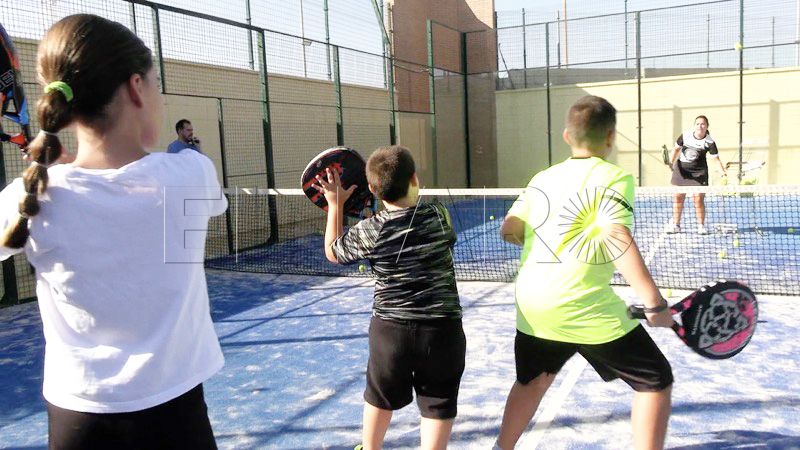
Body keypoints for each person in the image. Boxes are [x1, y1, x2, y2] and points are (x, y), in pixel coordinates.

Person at [0, 14, 226, 449]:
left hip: (78, 419)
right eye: (156, 84)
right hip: (176, 415)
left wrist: (58, 172)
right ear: (136, 87)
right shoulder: (193, 174)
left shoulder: (30, 195)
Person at [495, 96, 674, 450]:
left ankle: (501, 448)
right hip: (584, 305)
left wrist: (550, 242)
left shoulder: (542, 178)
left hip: (533, 303)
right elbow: (615, 235)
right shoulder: (614, 177)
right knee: (655, 379)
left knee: (532, 380)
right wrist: (654, 304)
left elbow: (509, 228)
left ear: (566, 136)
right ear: (610, 137)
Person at [314, 145, 466, 450]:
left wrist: (335, 204)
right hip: (442, 332)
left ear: (372, 188)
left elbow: (333, 251)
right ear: (414, 178)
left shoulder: (369, 231)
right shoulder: (438, 215)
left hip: (391, 333)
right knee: (438, 402)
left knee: (380, 395)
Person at [666, 115, 727, 234]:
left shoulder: (709, 142)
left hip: (699, 173)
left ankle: (701, 226)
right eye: (698, 124)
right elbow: (676, 149)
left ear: (707, 126)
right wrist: (671, 162)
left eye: (703, 124)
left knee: (698, 199)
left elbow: (716, 160)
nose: (700, 126)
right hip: (681, 170)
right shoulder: (685, 136)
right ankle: (676, 225)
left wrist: (723, 173)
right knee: (678, 197)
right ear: (694, 126)